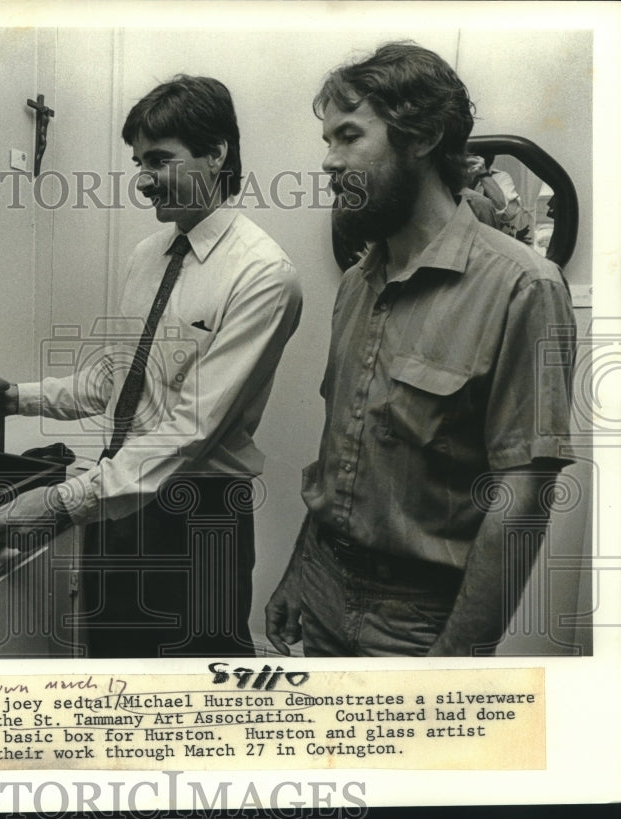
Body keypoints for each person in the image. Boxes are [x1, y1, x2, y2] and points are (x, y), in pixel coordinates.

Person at [265, 42, 575, 657]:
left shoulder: (523, 287)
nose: (329, 161)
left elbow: (523, 496)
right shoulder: (358, 282)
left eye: (349, 136)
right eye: (327, 140)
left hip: (418, 622)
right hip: (325, 589)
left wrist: (455, 663)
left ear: (424, 136)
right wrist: (301, 569)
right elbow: (341, 452)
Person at [0, 75, 302, 658]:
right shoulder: (146, 255)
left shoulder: (263, 275)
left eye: (159, 159)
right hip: (117, 500)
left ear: (216, 154)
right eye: (138, 161)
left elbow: (191, 429)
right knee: (114, 664)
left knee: (193, 693)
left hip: (199, 514)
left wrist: (62, 502)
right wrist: (6, 397)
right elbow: (114, 383)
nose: (142, 180)